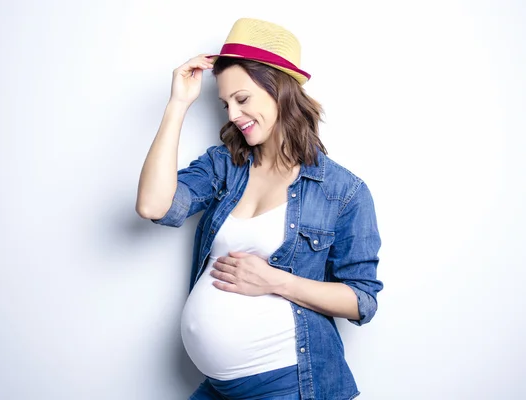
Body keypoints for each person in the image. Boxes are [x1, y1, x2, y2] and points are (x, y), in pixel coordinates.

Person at [136, 17, 383, 400]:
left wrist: (275, 281)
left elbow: (361, 301)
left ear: (280, 90)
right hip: (221, 388)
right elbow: (153, 205)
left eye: (243, 98)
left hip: (291, 385)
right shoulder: (225, 165)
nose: (232, 114)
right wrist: (178, 105)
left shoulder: (344, 192)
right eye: (225, 103)